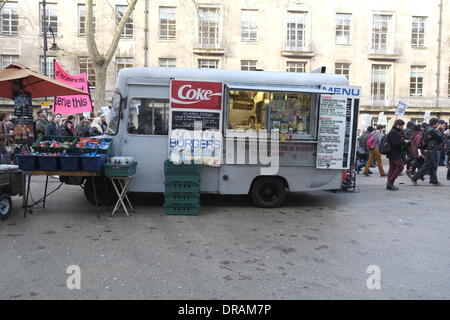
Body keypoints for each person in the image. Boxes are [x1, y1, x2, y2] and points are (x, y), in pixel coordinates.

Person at [410, 118, 444, 185]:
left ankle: (433, 180)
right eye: (437, 123)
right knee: (427, 165)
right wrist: (439, 132)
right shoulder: (431, 130)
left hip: (429, 150)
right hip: (430, 150)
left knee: (433, 165)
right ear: (435, 124)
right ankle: (414, 178)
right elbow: (440, 138)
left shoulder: (427, 128)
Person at [385, 119, 407, 191]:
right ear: (397, 125)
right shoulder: (394, 132)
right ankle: (390, 182)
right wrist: (403, 141)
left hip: (392, 153)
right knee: (400, 167)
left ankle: (389, 183)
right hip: (395, 153)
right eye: (401, 126)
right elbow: (395, 143)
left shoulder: (393, 131)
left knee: (392, 168)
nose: (402, 127)